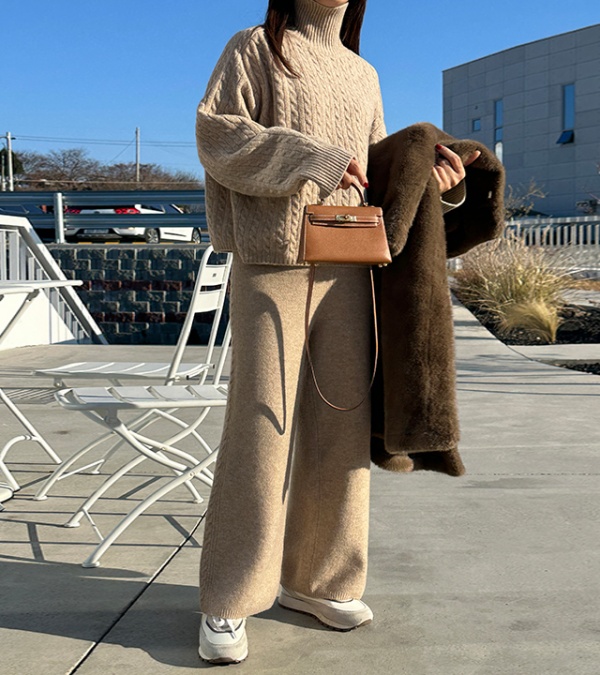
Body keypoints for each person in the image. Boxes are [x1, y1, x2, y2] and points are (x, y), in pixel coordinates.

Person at [195, 0, 476, 664]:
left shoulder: (362, 73)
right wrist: (310, 157)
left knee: (342, 424)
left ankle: (320, 580)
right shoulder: (255, 47)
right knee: (261, 426)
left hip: (349, 264)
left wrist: (436, 183)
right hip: (272, 262)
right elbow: (216, 135)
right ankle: (230, 596)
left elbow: (377, 174)